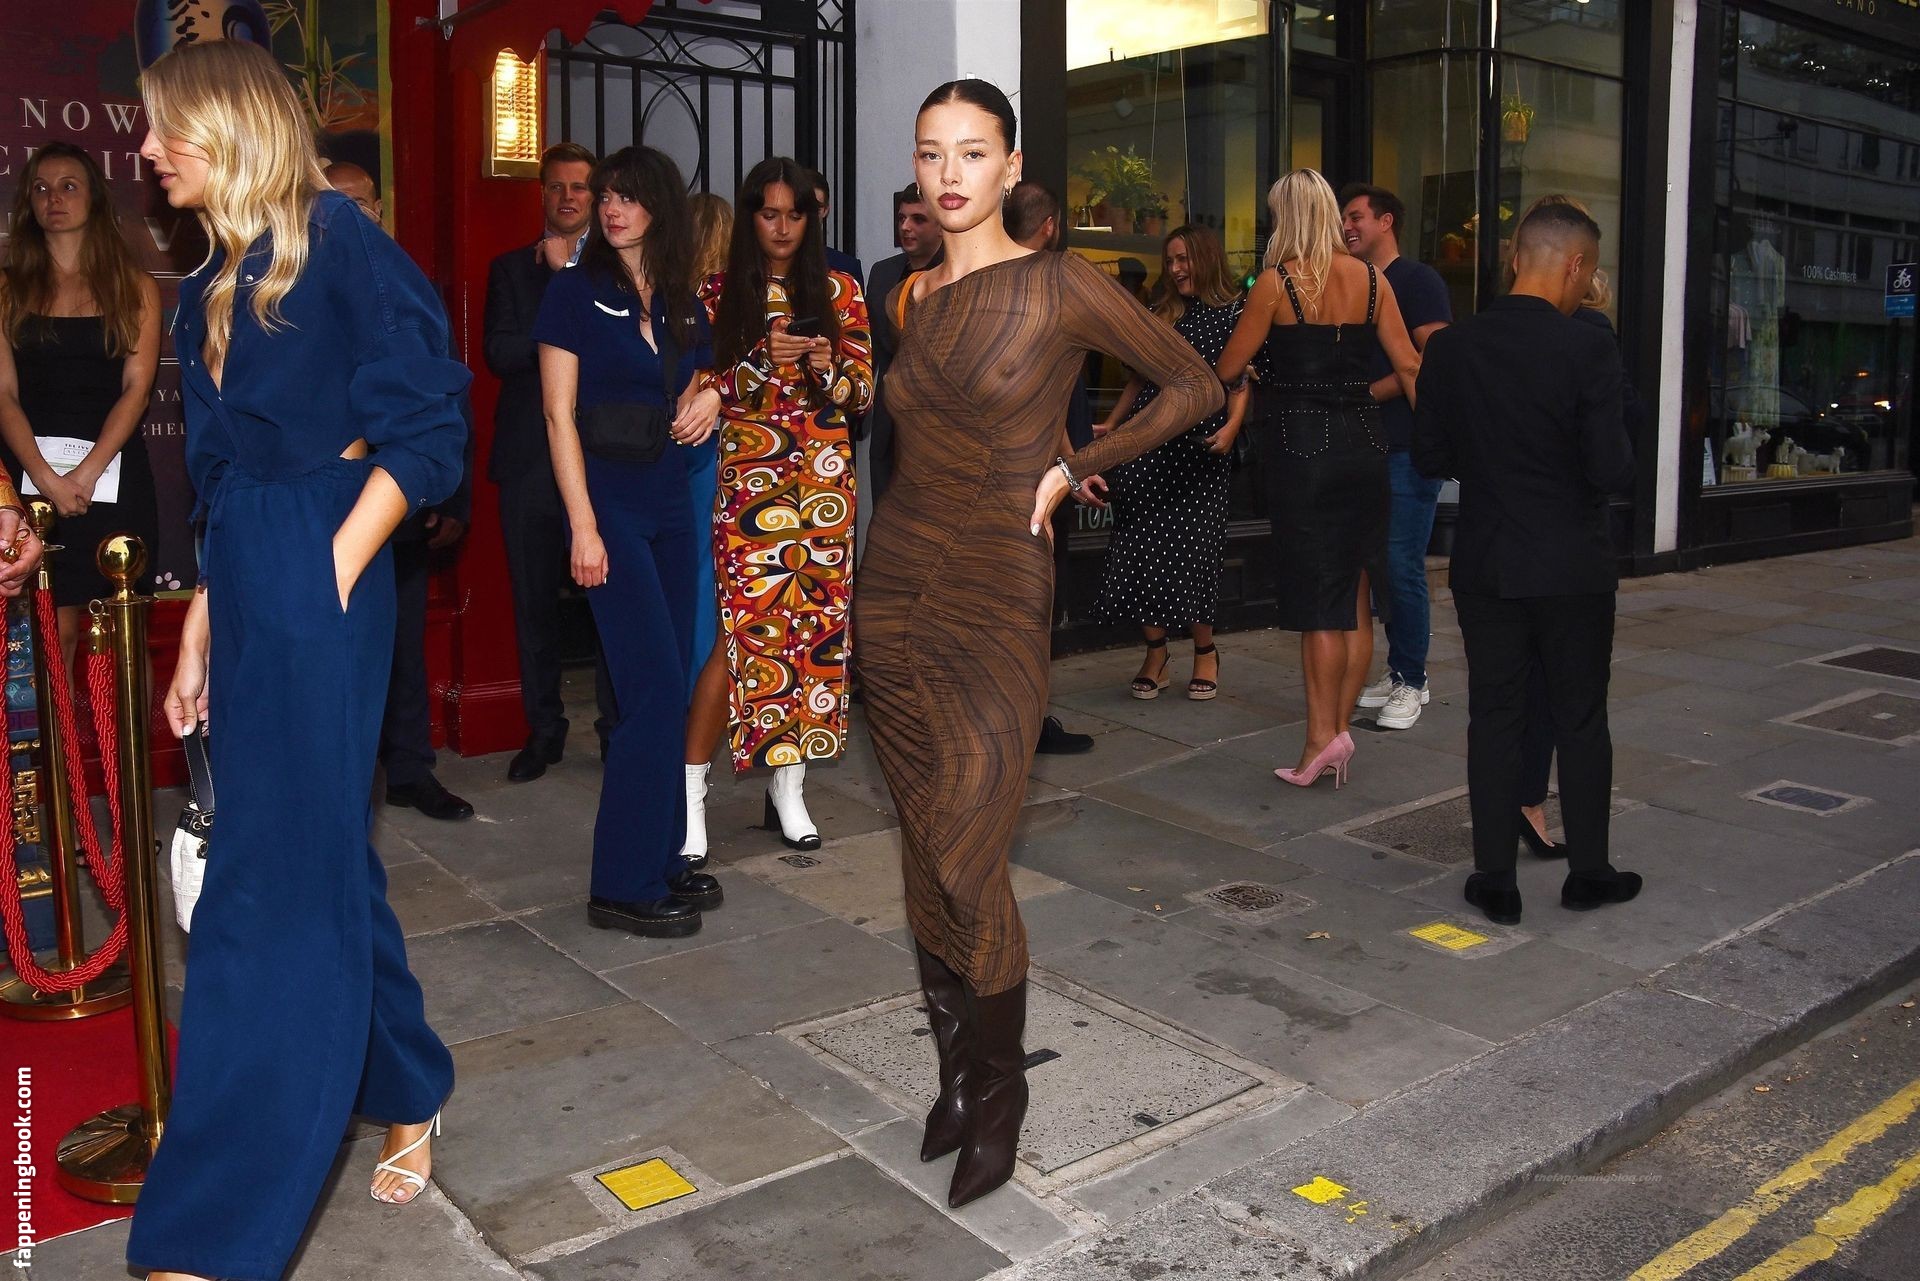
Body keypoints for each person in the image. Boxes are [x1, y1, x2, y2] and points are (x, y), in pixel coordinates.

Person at [127, 40, 466, 1281]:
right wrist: (205, 625)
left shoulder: (339, 241)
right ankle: (411, 1084)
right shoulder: (211, 275)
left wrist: (332, 568)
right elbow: (219, 479)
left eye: (166, 127)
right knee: (318, 862)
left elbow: (428, 425)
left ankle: (218, 1229)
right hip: (251, 575)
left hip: (327, 571)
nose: (146, 150)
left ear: (229, 124)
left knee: (264, 899)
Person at [858, 78, 1220, 1209]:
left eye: (973, 153)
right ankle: (955, 1078)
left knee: (971, 852)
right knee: (924, 850)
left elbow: (1196, 384)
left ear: (1011, 168)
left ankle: (1002, 1094)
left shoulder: (1061, 283)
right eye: (932, 153)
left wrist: (1078, 465)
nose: (949, 174)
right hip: (894, 590)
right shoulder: (908, 297)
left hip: (1000, 590)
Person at [1411, 199, 1642, 927]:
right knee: (1581, 717)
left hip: (1488, 560)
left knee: (1494, 715)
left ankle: (1496, 882)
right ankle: (1589, 874)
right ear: (1575, 265)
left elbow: (1429, 457)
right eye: (1588, 273)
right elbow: (1613, 468)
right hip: (1572, 564)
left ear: (1516, 256)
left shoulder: (1452, 348)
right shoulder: (1587, 348)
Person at [534, 144, 724, 937]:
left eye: (629, 196)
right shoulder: (573, 295)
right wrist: (582, 526)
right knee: (648, 687)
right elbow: (557, 416)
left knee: (669, 685)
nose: (611, 208)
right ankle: (620, 881)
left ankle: (662, 854)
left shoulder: (681, 297)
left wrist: (712, 394)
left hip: (671, 503)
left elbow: (709, 373)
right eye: (606, 195)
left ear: (660, 208)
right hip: (607, 505)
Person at [677, 157, 871, 864]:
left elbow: (863, 393)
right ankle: (689, 798)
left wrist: (824, 366)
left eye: (795, 214)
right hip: (750, 492)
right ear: (750, 217)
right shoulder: (716, 291)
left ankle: (790, 792)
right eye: (769, 213)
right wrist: (764, 357)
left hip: (823, 490)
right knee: (735, 644)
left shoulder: (841, 289)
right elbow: (703, 390)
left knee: (816, 640)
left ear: (811, 219)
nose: (783, 227)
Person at [1217, 169, 1419, 788]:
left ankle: (1318, 741)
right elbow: (1410, 365)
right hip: (1364, 447)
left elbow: (1228, 367)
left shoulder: (1275, 284)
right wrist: (1443, 445)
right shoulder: (1374, 280)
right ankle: (1338, 732)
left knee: (1318, 608)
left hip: (1303, 452)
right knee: (1354, 593)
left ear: (1285, 217)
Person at [325, 161, 477, 823]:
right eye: (334, 203)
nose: (348, 216)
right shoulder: (305, 285)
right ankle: (344, 785)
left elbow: (444, 394)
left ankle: (411, 770)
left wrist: (451, 499)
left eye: (359, 204)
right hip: (326, 500)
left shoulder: (400, 283)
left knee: (402, 645)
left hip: (402, 495)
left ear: (380, 209)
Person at [1502, 195, 1646, 863]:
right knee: (1571, 697)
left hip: (1502, 544)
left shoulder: (1493, 331)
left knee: (1516, 690)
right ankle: (1556, 830)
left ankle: (1519, 806)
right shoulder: (1589, 336)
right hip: (1565, 544)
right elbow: (1613, 455)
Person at [485, 142, 618, 783]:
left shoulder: (616, 269)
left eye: (580, 187)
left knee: (608, 601)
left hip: (602, 461)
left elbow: (612, 353)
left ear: (596, 196)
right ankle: (544, 730)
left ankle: (615, 730)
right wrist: (556, 289)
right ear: (542, 193)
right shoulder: (511, 269)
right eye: (557, 186)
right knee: (534, 603)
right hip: (529, 463)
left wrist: (570, 280)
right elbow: (501, 354)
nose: (568, 197)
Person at [0, 141, 161, 660]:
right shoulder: (5, 289)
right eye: (41, 189)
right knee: (55, 634)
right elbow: (3, 394)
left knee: (123, 635)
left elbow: (137, 390)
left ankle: (127, 724)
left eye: (68, 186)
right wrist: (46, 477)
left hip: (112, 472)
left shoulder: (135, 287)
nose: (54, 198)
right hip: (30, 476)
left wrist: (87, 473)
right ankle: (60, 725)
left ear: (94, 198)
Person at [1093, 225, 1249, 702]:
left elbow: (1242, 380)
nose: (1176, 269)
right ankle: (1156, 654)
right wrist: (1113, 425)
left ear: (1206, 258)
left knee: (1196, 553)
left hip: (1200, 450)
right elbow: (1139, 380)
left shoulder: (1236, 313)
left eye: (1184, 259)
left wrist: (1233, 426)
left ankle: (1205, 651)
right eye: (1171, 260)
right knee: (1140, 547)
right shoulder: (1162, 313)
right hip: (1149, 444)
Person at [1339, 183, 1452, 730]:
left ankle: (1413, 679)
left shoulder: (1417, 280)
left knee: (1402, 563)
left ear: (1386, 222)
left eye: (1356, 216)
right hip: (1362, 447)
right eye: (1343, 218)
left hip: (1406, 447)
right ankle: (1400, 666)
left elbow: (1438, 357)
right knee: (1376, 564)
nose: (1347, 226)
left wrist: (1370, 392)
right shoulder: (1354, 282)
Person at [1004, 179, 1098, 755]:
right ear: (1050, 227)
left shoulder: (982, 280)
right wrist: (1073, 465)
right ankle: (1027, 722)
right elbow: (1053, 394)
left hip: (1001, 466)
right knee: (1031, 602)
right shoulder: (1051, 286)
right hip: (1036, 471)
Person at [863, 183, 944, 504]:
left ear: (941, 225)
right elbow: (868, 346)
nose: (906, 227)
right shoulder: (882, 273)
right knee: (885, 506)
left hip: (940, 421)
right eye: (901, 218)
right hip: (888, 418)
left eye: (918, 219)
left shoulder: (961, 274)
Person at [808, 169, 864, 284]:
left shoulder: (847, 267)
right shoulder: (774, 261)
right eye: (804, 207)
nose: (810, 214)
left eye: (816, 208)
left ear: (825, 210)